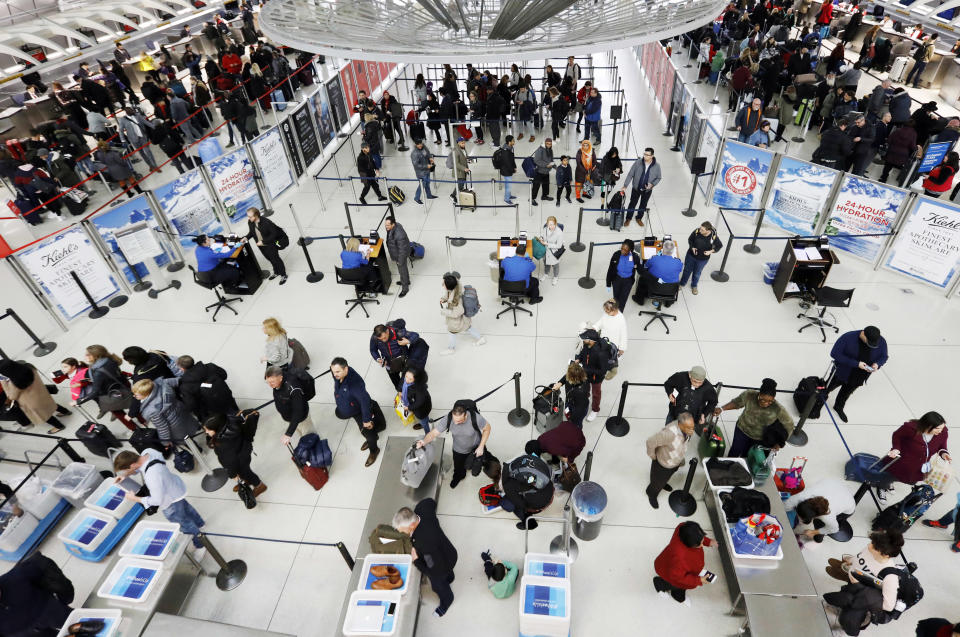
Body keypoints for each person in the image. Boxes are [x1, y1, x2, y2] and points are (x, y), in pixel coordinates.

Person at [114, 449, 207, 557]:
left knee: (185, 524)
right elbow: (144, 466)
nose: (125, 472)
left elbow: (157, 500)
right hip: (176, 488)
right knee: (187, 508)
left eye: (126, 470)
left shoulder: (151, 476)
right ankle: (200, 523)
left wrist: (135, 498)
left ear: (133, 464)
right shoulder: (148, 451)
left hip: (170, 503)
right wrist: (126, 475)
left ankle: (201, 544)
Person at [393, 499, 458, 617]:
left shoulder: (424, 544)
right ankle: (450, 578)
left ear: (412, 525)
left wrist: (416, 560)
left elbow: (433, 571)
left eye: (403, 531)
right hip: (449, 551)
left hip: (442, 565)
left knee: (438, 584)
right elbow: (430, 502)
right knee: (448, 574)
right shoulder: (422, 509)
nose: (402, 533)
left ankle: (447, 600)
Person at [418, 400, 493, 488]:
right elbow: (434, 433)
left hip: (475, 447)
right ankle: (458, 477)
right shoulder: (448, 418)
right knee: (458, 468)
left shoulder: (475, 417)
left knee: (473, 466)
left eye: (459, 421)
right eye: (455, 420)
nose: (456, 423)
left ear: (466, 415)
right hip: (459, 449)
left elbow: (487, 428)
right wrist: (423, 441)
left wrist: (481, 446)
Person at [714, 378, 795, 458]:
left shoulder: (778, 409)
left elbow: (789, 425)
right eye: (763, 400)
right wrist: (722, 409)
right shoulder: (749, 395)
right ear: (759, 394)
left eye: (770, 401)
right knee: (735, 450)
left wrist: (779, 444)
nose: (766, 403)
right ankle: (729, 463)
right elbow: (737, 403)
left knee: (747, 456)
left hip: (759, 438)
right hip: (742, 430)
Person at [0, 554, 74, 635]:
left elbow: (40, 563)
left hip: (50, 610)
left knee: (80, 623)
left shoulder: (16, 577)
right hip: (24, 633)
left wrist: (66, 595)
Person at [827, 326, 888, 423]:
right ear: (863, 334)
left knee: (846, 393)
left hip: (860, 375)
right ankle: (818, 402)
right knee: (828, 387)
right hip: (842, 371)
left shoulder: (881, 341)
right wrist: (856, 364)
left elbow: (884, 356)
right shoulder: (848, 337)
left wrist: (877, 364)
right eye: (869, 343)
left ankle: (838, 407)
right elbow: (835, 353)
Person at [331, 357, 385, 467]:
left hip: (359, 410)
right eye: (333, 371)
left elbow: (364, 401)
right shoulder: (339, 374)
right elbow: (335, 371)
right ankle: (372, 437)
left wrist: (366, 420)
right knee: (366, 430)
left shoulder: (355, 385)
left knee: (367, 432)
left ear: (346, 369)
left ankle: (374, 450)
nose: (335, 374)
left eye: (337, 371)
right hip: (351, 407)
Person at [203, 413, 267, 499]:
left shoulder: (223, 443)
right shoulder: (231, 423)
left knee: (246, 472)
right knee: (245, 471)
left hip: (239, 460)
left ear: (217, 428)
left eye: (208, 430)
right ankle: (246, 480)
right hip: (244, 452)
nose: (206, 432)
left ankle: (259, 485)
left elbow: (229, 461)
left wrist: (232, 474)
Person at [80, 345, 144, 430]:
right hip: (123, 385)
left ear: (96, 355)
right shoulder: (110, 359)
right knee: (133, 405)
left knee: (118, 413)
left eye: (88, 354)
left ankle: (133, 428)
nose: (85, 356)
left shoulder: (97, 371)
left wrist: (79, 401)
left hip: (110, 393)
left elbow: (95, 392)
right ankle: (142, 420)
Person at [0, 359, 70, 434]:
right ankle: (66, 412)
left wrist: (3, 382)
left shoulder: (13, 382)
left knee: (44, 415)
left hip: (31, 402)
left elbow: (12, 396)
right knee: (51, 404)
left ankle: (59, 426)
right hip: (41, 392)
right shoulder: (28, 367)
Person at [653, 521, 716, 604]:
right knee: (677, 587)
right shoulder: (681, 558)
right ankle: (661, 586)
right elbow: (679, 577)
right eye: (699, 544)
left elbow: (695, 535)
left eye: (702, 540)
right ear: (689, 545)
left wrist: (708, 542)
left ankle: (669, 589)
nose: (701, 545)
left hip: (669, 564)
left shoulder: (683, 529)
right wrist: (699, 580)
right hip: (672, 575)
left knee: (676, 585)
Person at [825, 529, 904, 591]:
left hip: (855, 581)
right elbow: (860, 555)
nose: (869, 545)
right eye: (872, 542)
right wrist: (851, 560)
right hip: (851, 567)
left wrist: (855, 583)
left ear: (885, 555)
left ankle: (844, 577)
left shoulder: (885, 571)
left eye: (874, 547)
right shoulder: (874, 547)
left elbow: (871, 587)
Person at [645, 412, 696, 508]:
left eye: (692, 427)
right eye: (689, 428)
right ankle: (651, 493)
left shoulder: (686, 430)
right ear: (680, 424)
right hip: (663, 464)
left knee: (664, 478)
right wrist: (652, 455)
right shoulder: (669, 433)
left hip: (674, 462)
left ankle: (662, 484)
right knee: (656, 482)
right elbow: (650, 442)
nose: (692, 430)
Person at [784, 478, 857, 543]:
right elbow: (787, 504)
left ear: (815, 516)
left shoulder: (827, 517)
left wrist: (813, 532)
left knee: (818, 528)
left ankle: (817, 539)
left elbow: (834, 529)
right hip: (835, 485)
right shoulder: (803, 496)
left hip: (849, 504)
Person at [131, 377, 198, 448]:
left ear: (146, 394)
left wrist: (165, 442)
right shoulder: (160, 384)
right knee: (189, 429)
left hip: (175, 427)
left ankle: (197, 450)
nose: (134, 396)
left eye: (136, 395)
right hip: (181, 413)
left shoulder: (152, 410)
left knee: (187, 441)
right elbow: (176, 380)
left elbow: (162, 427)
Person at [887, 411, 950, 485]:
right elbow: (897, 436)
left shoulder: (943, 433)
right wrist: (896, 448)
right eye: (937, 428)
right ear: (927, 425)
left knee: (911, 481)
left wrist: (944, 453)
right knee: (890, 477)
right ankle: (883, 486)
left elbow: (942, 445)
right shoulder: (910, 428)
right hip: (902, 462)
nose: (940, 431)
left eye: (942, 428)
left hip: (920, 467)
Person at [265, 365, 315, 449]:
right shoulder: (277, 383)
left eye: (272, 382)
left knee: (310, 437)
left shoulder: (293, 388)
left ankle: (317, 454)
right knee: (303, 436)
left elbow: (298, 412)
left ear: (280, 378)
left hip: (302, 418)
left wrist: (288, 434)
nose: (270, 384)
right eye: (268, 382)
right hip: (291, 419)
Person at [369, 321, 428, 391]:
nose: (383, 340)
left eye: (384, 338)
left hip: (403, 360)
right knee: (397, 384)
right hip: (389, 363)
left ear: (387, 331)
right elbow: (373, 350)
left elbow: (415, 335)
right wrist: (378, 359)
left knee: (408, 379)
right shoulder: (375, 338)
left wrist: (408, 341)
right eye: (381, 339)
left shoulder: (398, 332)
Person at [176, 355, 237, 421]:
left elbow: (192, 405)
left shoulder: (185, 386)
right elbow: (224, 375)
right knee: (236, 413)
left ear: (182, 368)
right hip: (226, 396)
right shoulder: (211, 366)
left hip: (211, 409)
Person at [576, 328, 616, 422]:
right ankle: (586, 400)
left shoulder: (601, 353)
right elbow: (583, 353)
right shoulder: (587, 345)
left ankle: (595, 410)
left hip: (596, 378)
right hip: (585, 374)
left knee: (596, 394)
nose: (583, 340)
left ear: (591, 340)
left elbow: (602, 371)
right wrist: (578, 359)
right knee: (585, 389)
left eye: (585, 339)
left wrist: (586, 369)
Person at [440, 273, 485, 353]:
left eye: (444, 283)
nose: (442, 284)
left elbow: (459, 311)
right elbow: (448, 294)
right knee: (468, 327)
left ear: (448, 286)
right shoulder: (454, 287)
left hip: (457, 321)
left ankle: (451, 349)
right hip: (464, 319)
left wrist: (445, 312)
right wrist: (444, 299)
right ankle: (481, 339)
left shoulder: (456, 299)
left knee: (452, 332)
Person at [620, 147, 661, 226]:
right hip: (636, 188)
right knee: (632, 203)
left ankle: (639, 218)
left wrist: (652, 184)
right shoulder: (638, 162)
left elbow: (659, 177)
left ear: (652, 156)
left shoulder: (657, 166)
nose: (645, 156)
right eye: (644, 154)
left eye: (647, 155)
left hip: (647, 190)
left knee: (643, 204)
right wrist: (625, 185)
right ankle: (628, 218)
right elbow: (630, 174)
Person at [245, 207, 287, 284]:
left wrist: (264, 241)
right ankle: (276, 272)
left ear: (256, 215)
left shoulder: (267, 222)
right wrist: (245, 238)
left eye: (250, 216)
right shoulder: (250, 222)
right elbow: (251, 232)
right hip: (261, 245)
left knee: (275, 259)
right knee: (269, 259)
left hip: (270, 244)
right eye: (248, 216)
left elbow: (274, 234)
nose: (248, 218)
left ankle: (283, 275)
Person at [634, 240, 683, 306]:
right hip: (671, 290)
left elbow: (646, 266)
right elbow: (679, 271)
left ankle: (639, 299)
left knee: (642, 278)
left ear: (663, 249)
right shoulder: (678, 262)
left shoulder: (654, 258)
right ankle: (668, 303)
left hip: (654, 287)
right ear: (673, 250)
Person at [679, 221, 723, 295]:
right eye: (700, 228)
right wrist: (692, 247)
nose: (700, 231)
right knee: (687, 270)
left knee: (697, 273)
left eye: (702, 230)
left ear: (708, 231)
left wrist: (710, 251)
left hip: (702, 259)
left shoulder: (713, 236)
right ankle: (682, 283)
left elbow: (719, 246)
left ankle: (694, 286)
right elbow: (690, 240)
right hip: (691, 255)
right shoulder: (697, 231)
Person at [605, 239, 642, 311]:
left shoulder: (635, 257)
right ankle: (614, 312)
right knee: (615, 298)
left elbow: (641, 270)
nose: (622, 251)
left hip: (628, 282)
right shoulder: (616, 255)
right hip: (617, 279)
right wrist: (608, 284)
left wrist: (655, 279)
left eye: (625, 250)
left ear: (630, 250)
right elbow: (610, 269)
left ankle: (620, 315)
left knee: (623, 300)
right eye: (622, 248)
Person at [552, 361, 590, 428]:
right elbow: (566, 376)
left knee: (576, 425)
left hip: (578, 409)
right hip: (570, 402)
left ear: (573, 378)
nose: (567, 376)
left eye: (568, 376)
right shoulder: (577, 375)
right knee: (568, 416)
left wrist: (572, 418)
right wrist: (560, 383)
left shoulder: (581, 392)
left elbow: (580, 409)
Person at [384, 216, 411, 297]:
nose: (386, 227)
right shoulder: (392, 228)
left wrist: (400, 260)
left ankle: (405, 288)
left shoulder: (399, 234)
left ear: (393, 224)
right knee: (402, 269)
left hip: (401, 255)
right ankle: (406, 281)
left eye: (388, 225)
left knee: (402, 270)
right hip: (396, 253)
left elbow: (402, 250)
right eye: (385, 225)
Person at [399, 366, 432, 432]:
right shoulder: (407, 382)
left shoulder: (419, 390)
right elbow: (402, 383)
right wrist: (400, 391)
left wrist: (409, 408)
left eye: (410, 379)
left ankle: (427, 433)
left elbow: (418, 403)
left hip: (422, 410)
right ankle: (425, 422)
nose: (406, 380)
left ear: (417, 379)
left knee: (424, 420)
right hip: (414, 405)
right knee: (424, 419)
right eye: (406, 376)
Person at [410, 139, 437, 204]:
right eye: (418, 144)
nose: (420, 145)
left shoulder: (424, 147)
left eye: (421, 144)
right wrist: (426, 166)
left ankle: (429, 195)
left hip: (427, 170)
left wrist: (430, 158)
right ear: (415, 144)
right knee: (422, 185)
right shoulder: (414, 153)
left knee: (427, 183)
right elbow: (416, 165)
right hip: (421, 172)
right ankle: (416, 198)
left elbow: (428, 153)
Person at [531, 139, 555, 205]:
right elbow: (536, 160)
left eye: (550, 144)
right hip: (539, 171)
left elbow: (551, 160)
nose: (549, 145)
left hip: (546, 172)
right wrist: (546, 165)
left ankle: (544, 196)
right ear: (544, 143)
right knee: (536, 186)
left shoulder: (550, 150)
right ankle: (532, 199)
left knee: (546, 185)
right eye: (547, 143)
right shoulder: (540, 150)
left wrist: (555, 167)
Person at [541, 216, 564, 285]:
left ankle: (555, 277)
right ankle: (546, 273)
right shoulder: (545, 229)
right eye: (550, 224)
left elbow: (559, 245)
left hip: (554, 251)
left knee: (555, 265)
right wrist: (541, 238)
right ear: (547, 224)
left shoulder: (559, 232)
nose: (552, 226)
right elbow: (542, 235)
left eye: (553, 224)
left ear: (555, 223)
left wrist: (547, 244)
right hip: (546, 250)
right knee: (546, 263)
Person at [574, 139, 597, 203]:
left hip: (589, 171)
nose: (585, 147)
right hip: (580, 171)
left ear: (589, 146)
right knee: (579, 184)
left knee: (586, 183)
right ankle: (578, 197)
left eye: (587, 145)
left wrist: (592, 168)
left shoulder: (592, 151)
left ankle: (584, 193)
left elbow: (594, 160)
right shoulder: (579, 151)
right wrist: (585, 171)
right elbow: (578, 163)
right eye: (584, 145)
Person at [499, 135, 517, 204]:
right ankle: (506, 199)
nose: (514, 141)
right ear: (509, 142)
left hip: (508, 169)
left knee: (509, 184)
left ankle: (509, 195)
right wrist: (512, 170)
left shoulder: (510, 147)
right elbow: (507, 163)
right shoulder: (505, 151)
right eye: (513, 141)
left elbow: (512, 159)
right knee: (508, 186)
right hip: (506, 170)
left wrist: (514, 166)